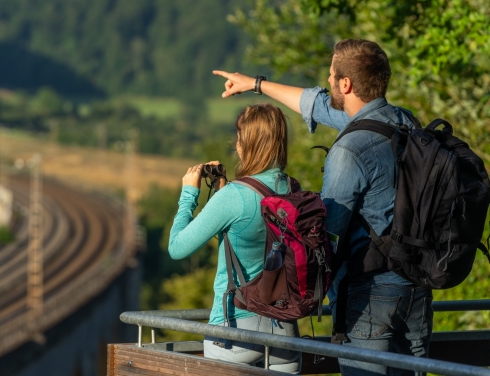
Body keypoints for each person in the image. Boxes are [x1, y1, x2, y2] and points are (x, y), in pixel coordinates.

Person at [213, 39, 433, 376]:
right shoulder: (405, 124)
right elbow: (316, 105)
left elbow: (326, 236)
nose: (327, 82)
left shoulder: (349, 149)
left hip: (369, 293)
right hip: (416, 286)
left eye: (332, 77)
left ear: (346, 84)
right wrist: (255, 84)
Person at [168, 103, 301, 373]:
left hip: (234, 333)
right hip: (285, 332)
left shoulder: (234, 197)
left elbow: (177, 247)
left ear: (247, 143)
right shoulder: (293, 189)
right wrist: (222, 190)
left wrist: (188, 196)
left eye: (239, 138)